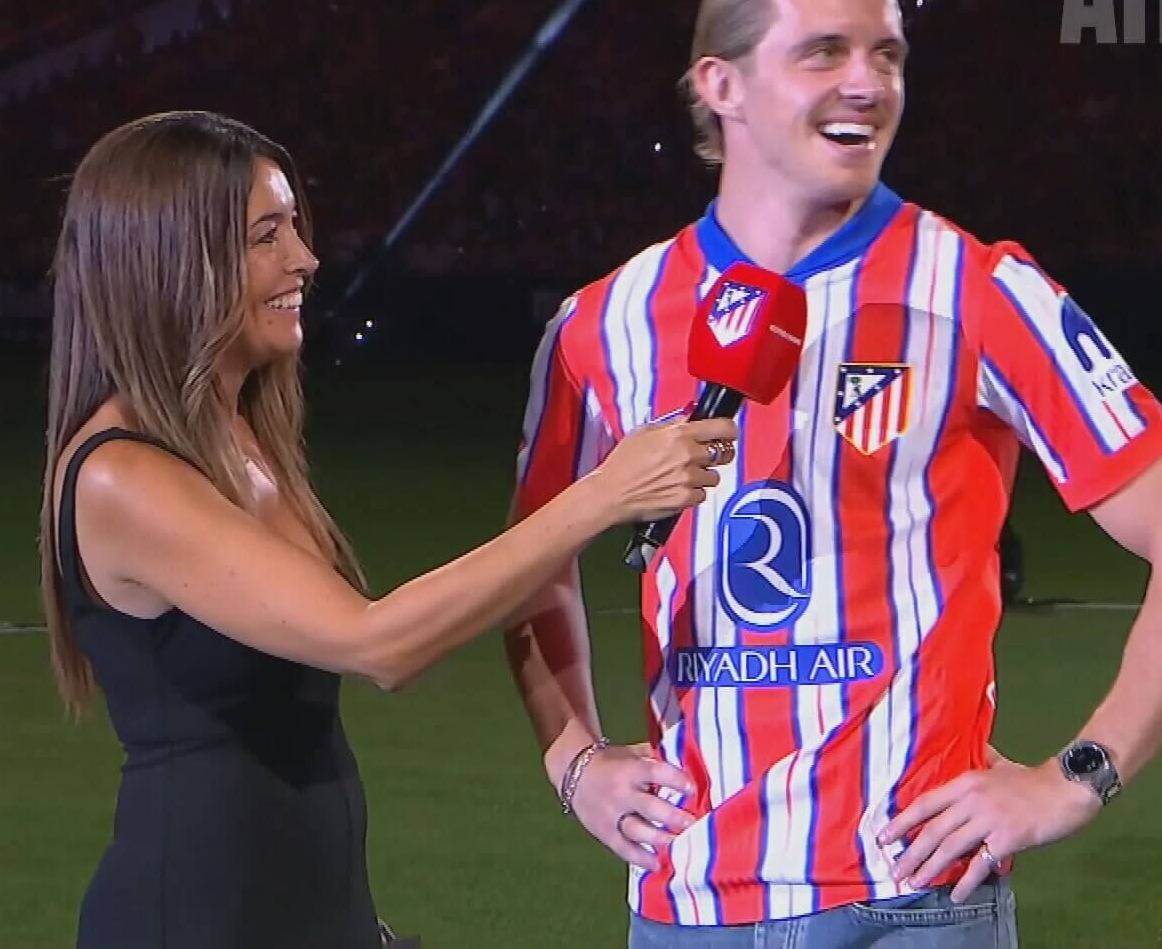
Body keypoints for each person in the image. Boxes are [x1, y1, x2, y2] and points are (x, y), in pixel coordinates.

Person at [501, 0, 1162, 947]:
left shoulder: (982, 292)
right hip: (689, 900)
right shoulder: (606, 322)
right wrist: (573, 761)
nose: (868, 83)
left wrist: (1075, 778)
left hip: (911, 903)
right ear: (719, 85)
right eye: (824, 52)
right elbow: (528, 570)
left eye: (888, 55)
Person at [38, 109, 740, 949]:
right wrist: (604, 494)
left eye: (295, 226)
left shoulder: (239, 435)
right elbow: (378, 645)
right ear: (173, 261)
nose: (304, 257)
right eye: (268, 235)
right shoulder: (123, 475)